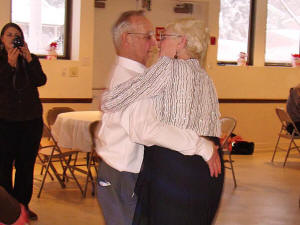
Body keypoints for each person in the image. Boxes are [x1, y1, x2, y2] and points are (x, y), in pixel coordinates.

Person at [96, 11, 221, 225]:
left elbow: (113, 105)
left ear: (180, 42)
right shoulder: (205, 77)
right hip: (206, 170)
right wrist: (205, 146)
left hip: (177, 165)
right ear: (127, 38)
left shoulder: (164, 69)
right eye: (150, 36)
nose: (156, 43)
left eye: (162, 37)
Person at [0, 23, 47, 221]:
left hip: (30, 121)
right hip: (4, 122)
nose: (13, 38)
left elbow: (41, 80)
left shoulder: (30, 58)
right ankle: (7, 209)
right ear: (2, 39)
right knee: (3, 167)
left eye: (17, 35)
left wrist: (29, 60)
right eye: (9, 35)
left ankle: (23, 207)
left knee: (26, 168)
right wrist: (10, 67)